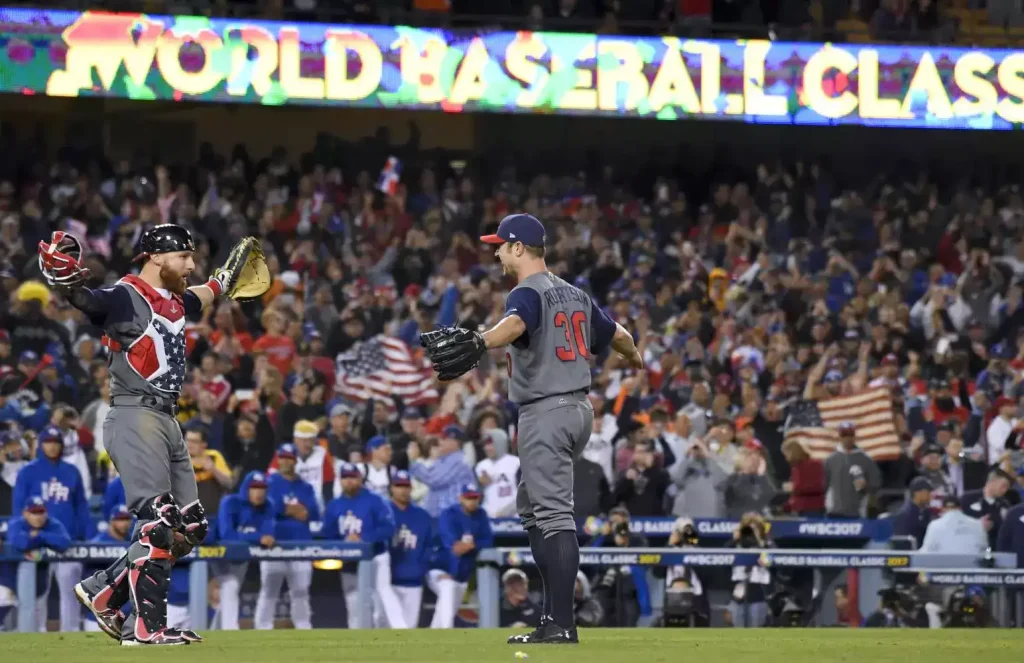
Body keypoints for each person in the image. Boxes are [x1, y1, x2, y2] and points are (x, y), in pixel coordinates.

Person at [455, 213, 641, 644]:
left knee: (554, 515)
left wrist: (481, 340)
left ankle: (561, 623)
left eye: (501, 245)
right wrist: (635, 358)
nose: (497, 252)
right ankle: (551, 618)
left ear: (519, 247)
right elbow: (619, 335)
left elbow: (517, 323)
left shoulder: (526, 292)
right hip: (578, 410)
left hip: (546, 411)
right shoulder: (576, 293)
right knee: (533, 508)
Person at [58, 225, 242, 645]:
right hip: (134, 414)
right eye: (184, 257)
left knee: (189, 527)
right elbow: (89, 301)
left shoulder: (174, 299)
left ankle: (103, 590)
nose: (191, 265)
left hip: (168, 420)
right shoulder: (126, 295)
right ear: (157, 258)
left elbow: (200, 296)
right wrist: (66, 280)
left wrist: (223, 283)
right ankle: (146, 630)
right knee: (159, 523)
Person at [12, 424, 91, 632]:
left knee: (71, 593)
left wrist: (85, 537)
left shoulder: (72, 471)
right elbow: (18, 508)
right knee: (38, 592)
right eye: (48, 442)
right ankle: (34, 634)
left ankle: (71, 632)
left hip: (68, 542)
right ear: (41, 444)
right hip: (36, 542)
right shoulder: (28, 472)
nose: (52, 447)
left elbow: (82, 507)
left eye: (56, 443)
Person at [321, 462, 403, 629]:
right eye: (345, 478)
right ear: (340, 480)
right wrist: (344, 543)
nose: (349, 481)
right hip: (349, 562)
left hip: (376, 557)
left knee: (379, 603)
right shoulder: (334, 505)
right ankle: (357, 645)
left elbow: (388, 528)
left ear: (359, 479)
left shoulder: (375, 500)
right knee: (353, 605)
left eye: (352, 477)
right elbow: (327, 534)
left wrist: (364, 538)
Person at [257, 443, 320, 630]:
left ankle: (303, 627)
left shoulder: (305, 486)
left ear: (295, 460)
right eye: (283, 457)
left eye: (290, 458)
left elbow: (314, 513)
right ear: (278, 459)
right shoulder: (268, 482)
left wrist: (297, 511)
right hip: (274, 544)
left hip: (300, 545)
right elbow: (265, 508)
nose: (286, 461)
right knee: (269, 591)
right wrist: (289, 510)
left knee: (301, 592)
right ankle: (262, 629)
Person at [216, 471, 276, 631]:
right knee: (230, 586)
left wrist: (257, 537)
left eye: (262, 488)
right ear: (246, 489)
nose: (259, 492)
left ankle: (222, 630)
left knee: (229, 590)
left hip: (240, 556)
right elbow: (226, 534)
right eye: (254, 488)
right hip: (214, 552)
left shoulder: (268, 506)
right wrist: (257, 537)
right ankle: (229, 630)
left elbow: (268, 535)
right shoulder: (230, 502)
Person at [429, 483, 494, 629]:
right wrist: (463, 546)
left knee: (447, 609)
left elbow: (488, 540)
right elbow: (453, 547)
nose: (472, 501)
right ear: (460, 498)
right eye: (468, 498)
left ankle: (433, 635)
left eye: (474, 498)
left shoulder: (481, 514)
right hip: (440, 569)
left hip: (462, 575)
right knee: (447, 588)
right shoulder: (448, 514)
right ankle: (447, 631)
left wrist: (473, 545)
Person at [6, 497, 71, 631]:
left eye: (41, 512)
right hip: (11, 575)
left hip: (41, 574)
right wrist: (44, 540)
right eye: (34, 513)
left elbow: (64, 543)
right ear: (25, 514)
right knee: (18, 606)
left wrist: (39, 535)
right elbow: (20, 543)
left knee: (38, 610)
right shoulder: (16, 523)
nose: (38, 517)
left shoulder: (52, 524)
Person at [388, 470, 434, 629]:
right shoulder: (383, 513)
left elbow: (430, 546)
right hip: (387, 584)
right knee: (384, 628)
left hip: (413, 581)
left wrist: (421, 568)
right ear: (392, 488)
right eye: (399, 486)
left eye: (406, 486)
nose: (403, 490)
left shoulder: (422, 516)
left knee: (409, 629)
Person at [83, 505, 133, 634]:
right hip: (98, 617)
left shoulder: (133, 542)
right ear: (111, 521)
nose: (124, 523)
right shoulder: (98, 543)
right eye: (120, 519)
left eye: (127, 519)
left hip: (126, 614)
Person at [960, 469, 1014, 549]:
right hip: (970, 546)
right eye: (1003, 486)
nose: (1005, 490)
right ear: (992, 481)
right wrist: (977, 525)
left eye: (1007, 487)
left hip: (995, 548)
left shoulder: (1005, 504)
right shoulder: (967, 498)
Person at [475, 428, 521, 518]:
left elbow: (525, 494)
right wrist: (480, 485)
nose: (486, 448)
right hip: (488, 517)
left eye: (490, 444)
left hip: (514, 516)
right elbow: (475, 495)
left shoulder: (517, 463)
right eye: (485, 445)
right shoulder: (480, 466)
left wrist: (508, 510)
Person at [891, 477, 933, 548]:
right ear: (917, 493)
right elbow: (903, 544)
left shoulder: (925, 511)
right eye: (927, 492)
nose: (930, 495)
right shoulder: (905, 514)